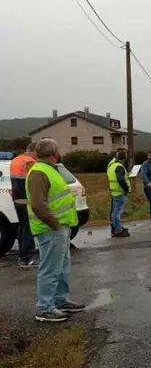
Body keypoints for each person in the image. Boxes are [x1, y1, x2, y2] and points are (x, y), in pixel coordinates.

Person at [26, 138, 85, 323]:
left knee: (62, 266)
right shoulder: (39, 172)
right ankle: (44, 308)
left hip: (60, 227)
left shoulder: (50, 169)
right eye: (58, 149)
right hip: (51, 229)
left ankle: (59, 300)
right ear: (54, 152)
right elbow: (38, 204)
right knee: (50, 268)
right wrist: (55, 225)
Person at [10, 142, 37, 268]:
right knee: (28, 228)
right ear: (32, 151)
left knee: (22, 227)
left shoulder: (15, 160)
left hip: (16, 199)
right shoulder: (29, 161)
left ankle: (22, 255)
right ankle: (28, 257)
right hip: (26, 200)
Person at [107, 149, 130, 238]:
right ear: (125, 158)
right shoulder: (119, 167)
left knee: (115, 212)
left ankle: (118, 227)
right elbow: (121, 180)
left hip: (114, 191)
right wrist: (126, 189)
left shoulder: (111, 165)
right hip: (120, 192)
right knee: (117, 212)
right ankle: (118, 229)